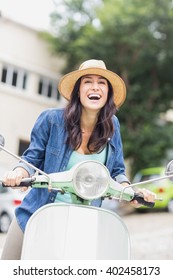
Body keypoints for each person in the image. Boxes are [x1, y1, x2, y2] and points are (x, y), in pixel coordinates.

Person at [1, 59, 156, 259]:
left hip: (85, 223)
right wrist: (17, 174)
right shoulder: (51, 119)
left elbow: (117, 171)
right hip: (38, 214)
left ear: (108, 92)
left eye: (102, 82)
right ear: (78, 90)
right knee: (8, 268)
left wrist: (131, 192)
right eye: (87, 82)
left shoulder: (113, 126)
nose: (95, 87)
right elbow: (32, 158)